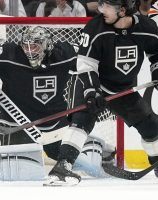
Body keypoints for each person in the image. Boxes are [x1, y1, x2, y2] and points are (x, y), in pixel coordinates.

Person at [0, 26, 117, 184]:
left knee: (75, 161)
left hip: (54, 124)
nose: (29, 51)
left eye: (34, 45)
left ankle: (97, 149)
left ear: (46, 45)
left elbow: (90, 58)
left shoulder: (64, 53)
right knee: (19, 169)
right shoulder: (8, 54)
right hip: (16, 123)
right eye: (26, 46)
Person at [46, 0, 158, 185]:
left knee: (152, 127)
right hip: (91, 82)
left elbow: (155, 52)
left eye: (106, 6)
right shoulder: (95, 28)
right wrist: (92, 92)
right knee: (81, 121)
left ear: (122, 10)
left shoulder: (146, 27)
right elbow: (86, 64)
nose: (100, 10)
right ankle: (62, 167)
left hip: (121, 89)